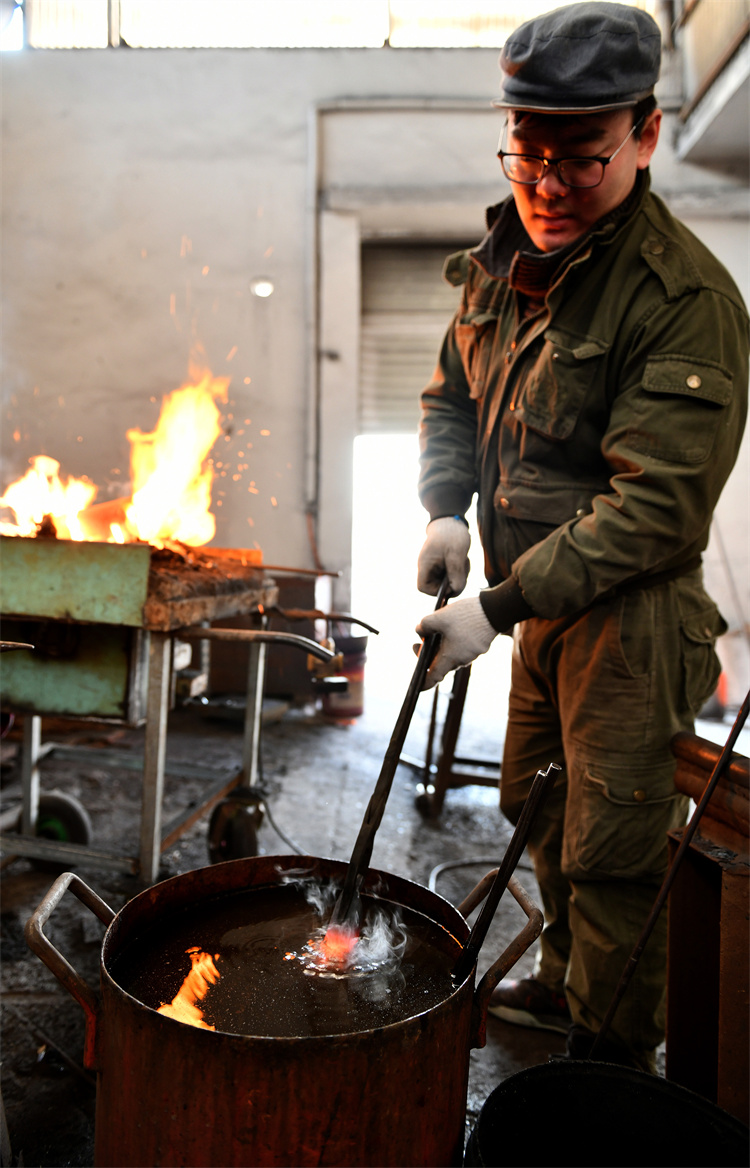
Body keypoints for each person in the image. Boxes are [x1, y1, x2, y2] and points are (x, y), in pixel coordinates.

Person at [415, 1, 748, 1072]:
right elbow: (449, 399)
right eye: (529, 154)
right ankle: (563, 989)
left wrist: (495, 607)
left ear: (645, 137)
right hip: (541, 613)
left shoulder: (681, 298)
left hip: (630, 622)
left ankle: (610, 1064)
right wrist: (444, 511)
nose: (549, 186)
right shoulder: (505, 261)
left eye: (582, 159)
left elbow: (653, 509)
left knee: (612, 848)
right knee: (540, 809)